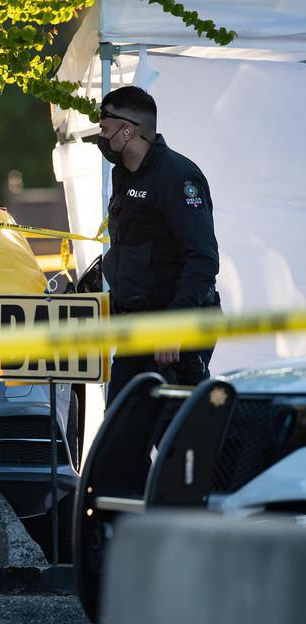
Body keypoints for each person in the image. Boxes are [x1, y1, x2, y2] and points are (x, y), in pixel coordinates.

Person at [97, 86, 220, 406]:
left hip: (176, 332)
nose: (101, 136)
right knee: (119, 443)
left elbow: (203, 259)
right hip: (136, 331)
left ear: (128, 130)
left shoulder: (177, 176)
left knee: (178, 447)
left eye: (105, 128)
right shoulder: (124, 176)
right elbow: (132, 254)